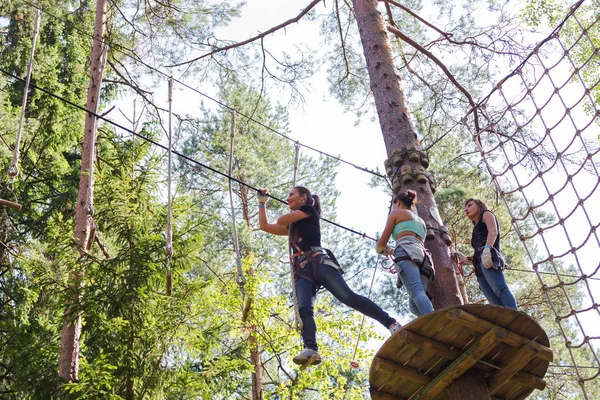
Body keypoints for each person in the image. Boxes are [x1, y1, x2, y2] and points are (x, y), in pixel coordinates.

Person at [257, 186, 401, 367]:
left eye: (291, 195)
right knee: (304, 309)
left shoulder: (308, 211)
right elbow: (264, 226)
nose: (288, 198)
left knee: (348, 297)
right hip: (302, 271)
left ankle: (391, 323)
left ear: (304, 197)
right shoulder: (294, 224)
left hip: (318, 262)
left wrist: (277, 207)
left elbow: (280, 219)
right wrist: (262, 204)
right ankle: (311, 349)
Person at [376, 190, 434, 317]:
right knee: (414, 305)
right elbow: (412, 240)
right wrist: (392, 250)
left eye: (394, 203)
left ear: (399, 202)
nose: (393, 207)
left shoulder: (395, 213)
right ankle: (429, 321)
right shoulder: (421, 221)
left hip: (405, 252)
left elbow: (382, 242)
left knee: (416, 291)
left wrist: (379, 248)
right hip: (423, 256)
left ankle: (436, 323)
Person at [464, 198, 517, 309]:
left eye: (469, 205)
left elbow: (493, 231)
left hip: (489, 257)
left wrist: (487, 250)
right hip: (479, 266)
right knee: (494, 301)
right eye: (465, 207)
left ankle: (516, 317)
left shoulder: (486, 214)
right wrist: (470, 260)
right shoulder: (476, 227)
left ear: (479, 206)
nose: (466, 209)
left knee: (500, 289)